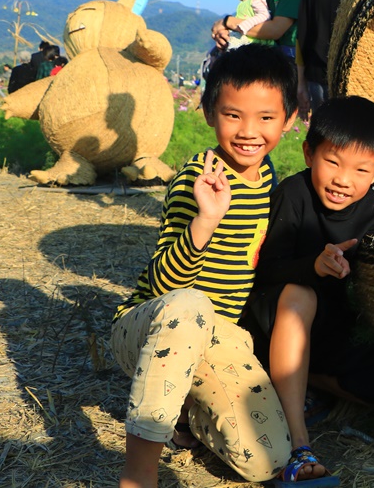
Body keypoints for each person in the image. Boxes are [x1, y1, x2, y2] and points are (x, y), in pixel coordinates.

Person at [109, 44, 298, 488]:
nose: (249, 131)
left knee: (266, 460)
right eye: (233, 115)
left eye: (266, 118)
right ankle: (139, 472)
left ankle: (186, 408)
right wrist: (205, 220)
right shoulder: (198, 181)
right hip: (153, 324)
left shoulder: (268, 176)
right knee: (190, 304)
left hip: (217, 334)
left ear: (289, 120)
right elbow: (162, 283)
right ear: (209, 113)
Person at [243, 95, 374, 483]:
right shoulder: (293, 196)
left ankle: (300, 379)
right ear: (309, 152)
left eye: (361, 169)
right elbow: (266, 272)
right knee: (302, 293)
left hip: (332, 330)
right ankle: (299, 443)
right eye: (332, 161)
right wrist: (313, 266)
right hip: (278, 317)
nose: (343, 179)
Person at [201, 0, 272, 78]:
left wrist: (247, 24)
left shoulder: (257, 0)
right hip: (246, 43)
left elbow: (265, 15)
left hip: (254, 44)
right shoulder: (246, 3)